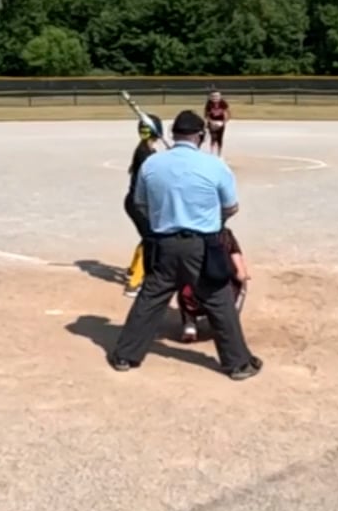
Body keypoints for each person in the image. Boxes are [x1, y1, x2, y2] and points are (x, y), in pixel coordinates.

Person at [111, 111, 260, 380]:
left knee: (150, 298)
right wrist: (211, 219)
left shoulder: (152, 164)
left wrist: (166, 216)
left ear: (172, 134)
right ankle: (238, 363)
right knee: (218, 300)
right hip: (202, 246)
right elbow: (231, 207)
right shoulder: (214, 165)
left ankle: (125, 355)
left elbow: (141, 204)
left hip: (163, 243)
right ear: (200, 136)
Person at [177, 225, 249, 343]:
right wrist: (241, 273)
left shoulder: (185, 233)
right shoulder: (223, 233)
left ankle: (191, 324)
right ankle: (228, 321)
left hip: (195, 291)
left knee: (183, 279)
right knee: (240, 283)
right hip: (217, 286)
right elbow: (234, 253)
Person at [122, 113, 165, 296]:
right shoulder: (146, 154)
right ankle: (134, 284)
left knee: (147, 236)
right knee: (151, 240)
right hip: (139, 204)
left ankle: (132, 270)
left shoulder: (145, 150)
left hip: (135, 202)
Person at [203, 90, 231, 155]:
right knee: (213, 138)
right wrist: (211, 122)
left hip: (221, 122)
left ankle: (219, 154)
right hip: (212, 123)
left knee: (220, 138)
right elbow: (206, 115)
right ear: (210, 97)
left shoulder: (223, 103)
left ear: (220, 96)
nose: (215, 98)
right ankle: (212, 153)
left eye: (217, 96)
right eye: (213, 96)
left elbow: (229, 114)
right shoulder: (209, 104)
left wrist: (224, 122)